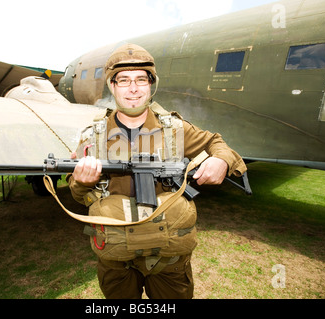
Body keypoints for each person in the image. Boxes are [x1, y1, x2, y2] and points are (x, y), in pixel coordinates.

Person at [67, 43, 247, 299]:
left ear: (151, 84)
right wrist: (81, 181)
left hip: (169, 259)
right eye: (124, 80)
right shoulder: (93, 137)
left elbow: (216, 142)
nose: (133, 88)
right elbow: (78, 195)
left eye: (141, 79)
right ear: (113, 86)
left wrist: (222, 161)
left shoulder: (175, 129)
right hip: (117, 258)